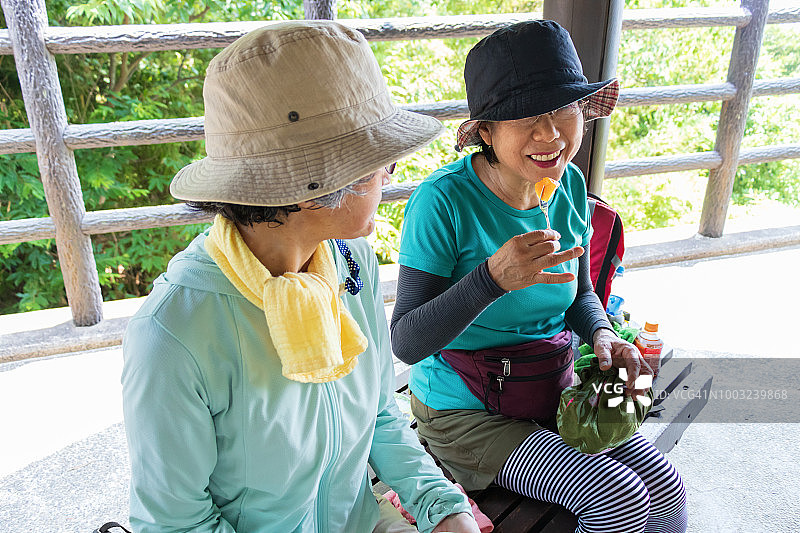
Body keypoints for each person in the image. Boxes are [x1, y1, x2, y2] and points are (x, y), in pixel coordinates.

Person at [121, 21, 481, 533]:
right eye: (381, 163)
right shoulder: (174, 335)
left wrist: (441, 505)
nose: (390, 176)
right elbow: (176, 523)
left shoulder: (349, 262)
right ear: (314, 189)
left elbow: (380, 415)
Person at [391, 21, 688, 533]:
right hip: (467, 411)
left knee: (665, 490)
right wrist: (491, 279)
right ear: (484, 132)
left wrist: (601, 333)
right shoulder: (442, 201)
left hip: (550, 383)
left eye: (563, 111)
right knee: (618, 497)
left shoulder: (567, 183)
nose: (549, 134)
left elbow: (580, 292)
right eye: (526, 118)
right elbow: (406, 341)